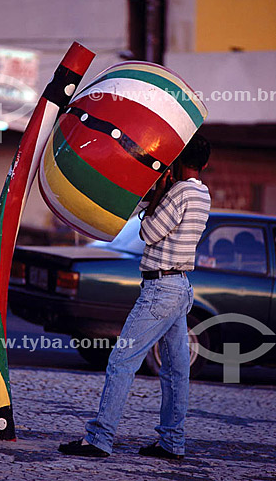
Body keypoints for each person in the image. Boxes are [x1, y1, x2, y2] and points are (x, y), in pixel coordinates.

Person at [59, 133, 211, 460]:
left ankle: (100, 438)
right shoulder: (202, 194)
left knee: (122, 360)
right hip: (180, 286)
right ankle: (172, 442)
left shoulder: (179, 193)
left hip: (160, 290)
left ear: (177, 160)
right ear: (205, 164)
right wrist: (160, 194)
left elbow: (148, 231)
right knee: (175, 370)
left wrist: (159, 192)